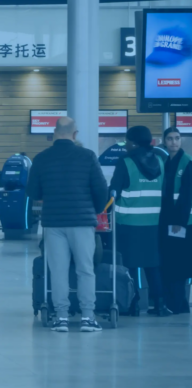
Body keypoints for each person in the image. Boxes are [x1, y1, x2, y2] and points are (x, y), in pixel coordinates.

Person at [26, 117, 110, 332]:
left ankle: (61, 317)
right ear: (75, 134)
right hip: (82, 223)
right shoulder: (88, 156)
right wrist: (95, 209)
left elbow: (33, 192)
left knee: (59, 270)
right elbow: (101, 191)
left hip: (54, 222)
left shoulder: (42, 158)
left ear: (55, 133)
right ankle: (87, 318)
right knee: (85, 270)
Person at [111, 125, 171, 317]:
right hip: (153, 222)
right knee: (153, 264)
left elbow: (114, 191)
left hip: (128, 223)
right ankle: (160, 305)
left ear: (133, 142)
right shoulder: (161, 161)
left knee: (128, 266)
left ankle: (132, 304)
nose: (125, 144)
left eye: (126, 141)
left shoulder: (125, 162)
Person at [159, 127, 192, 313]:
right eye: (170, 139)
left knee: (179, 263)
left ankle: (178, 304)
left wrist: (179, 222)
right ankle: (173, 303)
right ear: (164, 141)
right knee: (169, 262)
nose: (174, 142)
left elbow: (187, 195)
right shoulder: (166, 162)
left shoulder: (187, 163)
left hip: (181, 223)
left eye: (177, 138)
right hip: (167, 221)